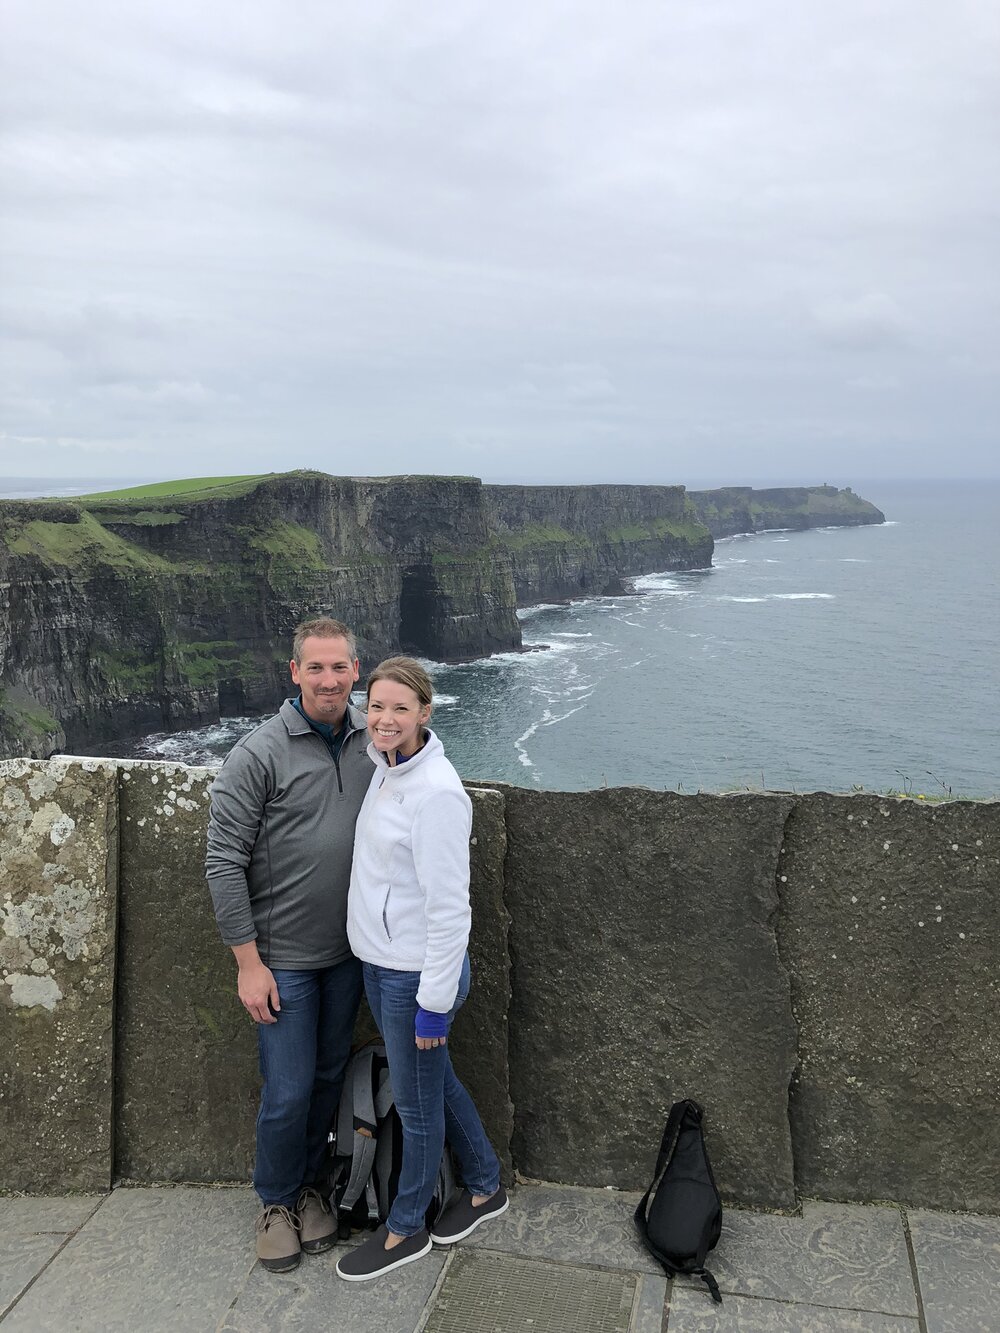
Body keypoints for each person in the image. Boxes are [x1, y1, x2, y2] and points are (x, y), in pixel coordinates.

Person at [205, 617, 373, 1273]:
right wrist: (248, 963)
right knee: (288, 1087)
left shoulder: (374, 738)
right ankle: (275, 1202)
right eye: (315, 668)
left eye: (340, 667)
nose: (328, 679)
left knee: (328, 1077)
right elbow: (223, 860)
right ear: (294, 672)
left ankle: (309, 1187)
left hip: (350, 955)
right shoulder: (259, 753)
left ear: (356, 670)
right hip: (283, 962)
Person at [336, 656, 508, 1283]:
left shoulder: (437, 793)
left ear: (425, 714)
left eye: (399, 709)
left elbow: (449, 908)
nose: (383, 719)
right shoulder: (386, 771)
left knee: (415, 1102)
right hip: (383, 965)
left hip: (416, 977)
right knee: (435, 1083)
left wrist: (433, 1000)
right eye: (374, 706)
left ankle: (405, 1226)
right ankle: (487, 1185)